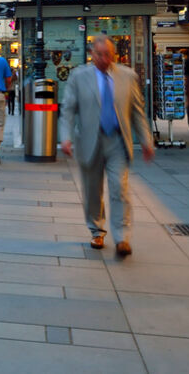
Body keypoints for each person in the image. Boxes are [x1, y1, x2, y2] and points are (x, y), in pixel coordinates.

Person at [59, 35, 154, 257]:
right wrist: (66, 137)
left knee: (119, 189)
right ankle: (97, 230)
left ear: (114, 54)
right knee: (93, 192)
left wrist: (147, 141)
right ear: (92, 54)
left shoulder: (128, 76)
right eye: (99, 54)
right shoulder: (78, 76)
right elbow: (69, 109)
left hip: (117, 142)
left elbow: (137, 112)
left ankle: (122, 237)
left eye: (108, 54)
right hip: (90, 141)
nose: (104, 59)